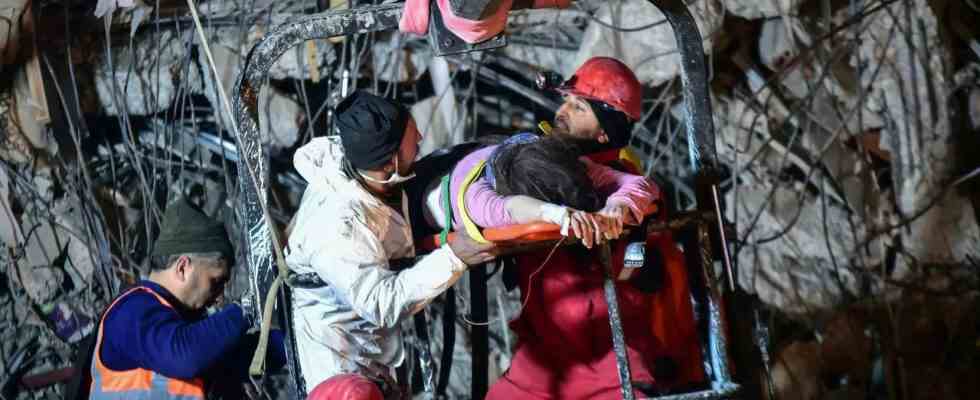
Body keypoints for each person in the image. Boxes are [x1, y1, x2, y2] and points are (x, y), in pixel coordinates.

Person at [285, 90, 498, 398]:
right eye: (414, 139)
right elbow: (382, 304)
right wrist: (455, 257)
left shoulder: (367, 168)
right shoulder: (337, 226)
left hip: (374, 352)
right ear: (389, 162)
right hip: (342, 369)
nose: (422, 136)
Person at [87, 197, 281, 399]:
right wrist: (250, 306)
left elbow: (237, 357)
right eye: (214, 282)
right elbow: (184, 356)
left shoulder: (180, 325)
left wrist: (297, 333)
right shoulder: (130, 312)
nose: (218, 298)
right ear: (182, 268)